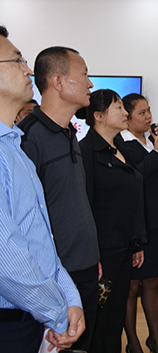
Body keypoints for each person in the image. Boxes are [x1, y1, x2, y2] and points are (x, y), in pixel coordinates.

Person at [0, 25, 85, 353]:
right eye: (17, 60)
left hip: (32, 315)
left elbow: (40, 238)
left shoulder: (14, 147)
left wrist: (70, 297)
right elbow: (7, 258)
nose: (28, 70)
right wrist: (57, 313)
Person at [18, 46, 100, 352]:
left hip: (85, 267)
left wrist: (93, 255)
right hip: (53, 276)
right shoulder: (27, 138)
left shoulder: (69, 133)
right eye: (84, 75)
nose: (90, 83)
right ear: (58, 81)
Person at [79, 89, 146, 353]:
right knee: (98, 319)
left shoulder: (121, 148)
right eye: (118, 107)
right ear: (99, 116)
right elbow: (84, 206)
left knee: (115, 318)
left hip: (123, 248)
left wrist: (137, 242)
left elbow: (133, 196)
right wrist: (91, 254)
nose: (125, 112)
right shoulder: (86, 151)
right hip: (101, 252)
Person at [117, 94, 158, 353]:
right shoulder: (122, 143)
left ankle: (154, 338)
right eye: (142, 113)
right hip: (135, 224)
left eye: (149, 111)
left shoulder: (151, 141)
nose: (148, 117)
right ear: (127, 116)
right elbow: (137, 175)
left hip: (155, 222)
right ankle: (133, 341)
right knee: (132, 285)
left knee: (153, 282)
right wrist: (157, 150)